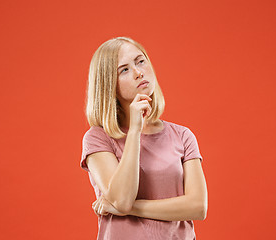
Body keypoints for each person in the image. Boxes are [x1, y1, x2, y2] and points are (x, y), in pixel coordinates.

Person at [80, 36, 208, 240]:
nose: (139, 72)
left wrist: (132, 209)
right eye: (124, 70)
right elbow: (122, 200)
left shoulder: (183, 135)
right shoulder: (98, 138)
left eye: (140, 61)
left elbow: (197, 206)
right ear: (108, 85)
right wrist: (134, 132)